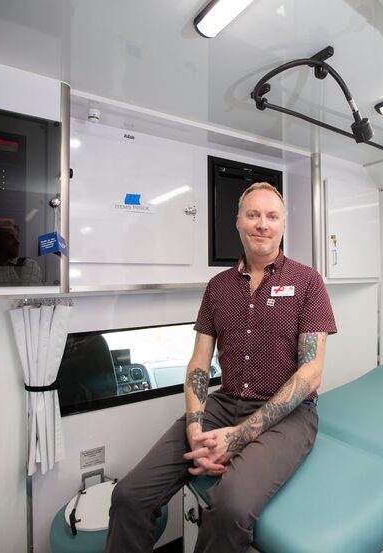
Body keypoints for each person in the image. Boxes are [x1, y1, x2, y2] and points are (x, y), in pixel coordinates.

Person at [106, 182, 337, 553]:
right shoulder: (217, 287)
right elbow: (199, 362)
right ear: (238, 222)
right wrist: (196, 426)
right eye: (253, 214)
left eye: (272, 216)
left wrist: (238, 437)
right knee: (129, 496)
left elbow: (311, 372)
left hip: (290, 414)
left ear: (283, 225)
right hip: (223, 404)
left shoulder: (307, 282)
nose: (262, 224)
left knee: (230, 507)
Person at [0, 219, 43, 285]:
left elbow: (27, 294)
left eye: (17, 237)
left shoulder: (27, 265)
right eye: (10, 238)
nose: (17, 242)